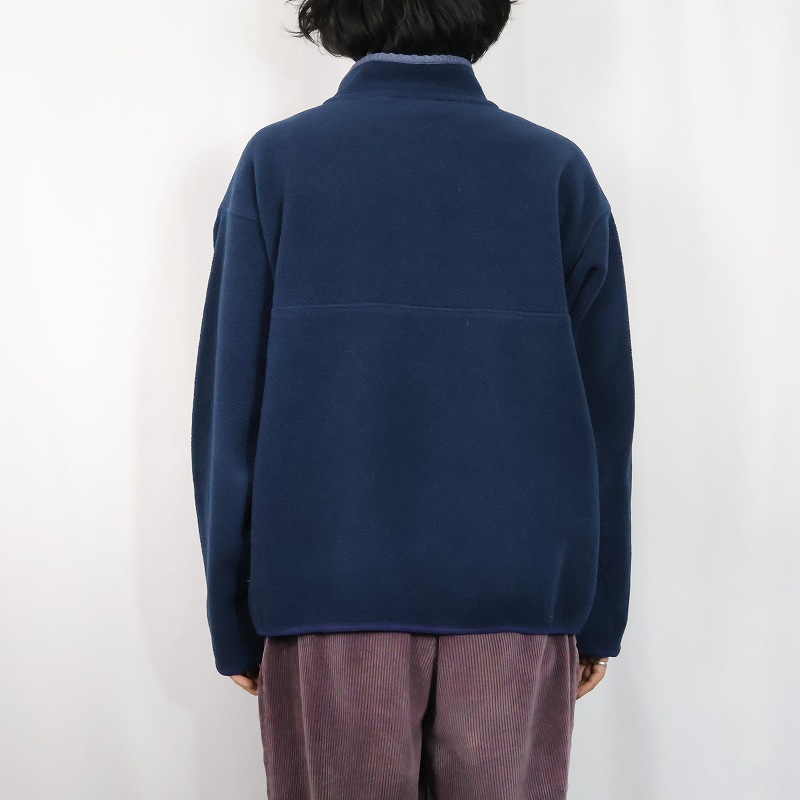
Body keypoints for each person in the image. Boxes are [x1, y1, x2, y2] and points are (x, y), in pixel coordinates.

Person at [190, 1, 635, 797]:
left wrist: (233, 612)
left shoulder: (279, 165)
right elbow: (607, 419)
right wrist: (598, 612)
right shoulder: (555, 172)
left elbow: (231, 414)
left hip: (326, 598)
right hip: (518, 604)